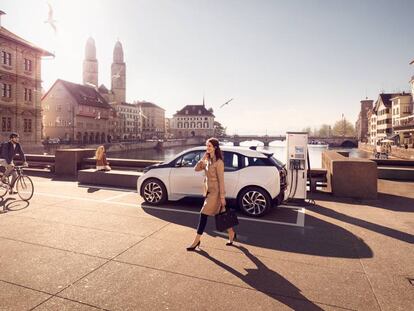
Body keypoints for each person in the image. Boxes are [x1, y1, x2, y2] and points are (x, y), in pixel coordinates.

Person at [186, 137, 236, 251]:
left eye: (209, 146)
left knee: (203, 214)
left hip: (216, 192)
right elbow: (196, 169)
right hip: (208, 191)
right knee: (222, 214)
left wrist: (222, 197)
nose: (207, 148)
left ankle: (196, 241)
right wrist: (203, 159)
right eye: (206, 145)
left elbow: (221, 180)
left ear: (215, 147)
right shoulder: (207, 160)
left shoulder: (219, 162)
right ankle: (231, 233)